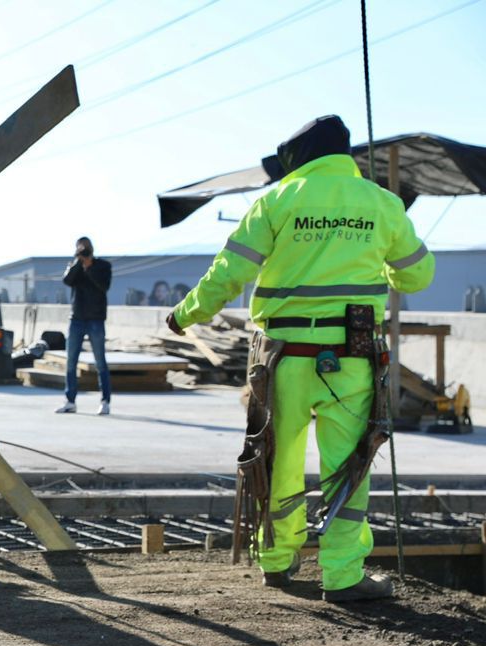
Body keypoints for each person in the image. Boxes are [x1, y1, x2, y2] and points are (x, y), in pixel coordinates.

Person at [168, 115, 434, 602]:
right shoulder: (382, 203)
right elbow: (417, 276)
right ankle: (342, 575)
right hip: (352, 358)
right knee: (350, 466)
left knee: (277, 459)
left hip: (282, 359)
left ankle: (277, 561)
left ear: (296, 161)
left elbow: (228, 272)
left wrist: (185, 315)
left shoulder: (275, 201)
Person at [57, 236, 113, 415]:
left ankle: (105, 401)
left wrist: (89, 268)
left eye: (86, 249)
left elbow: (104, 286)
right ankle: (70, 400)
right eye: (80, 250)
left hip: (96, 319)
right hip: (77, 319)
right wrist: (78, 263)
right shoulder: (75, 266)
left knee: (100, 362)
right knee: (71, 362)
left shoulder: (103, 266)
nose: (84, 253)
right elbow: (67, 281)